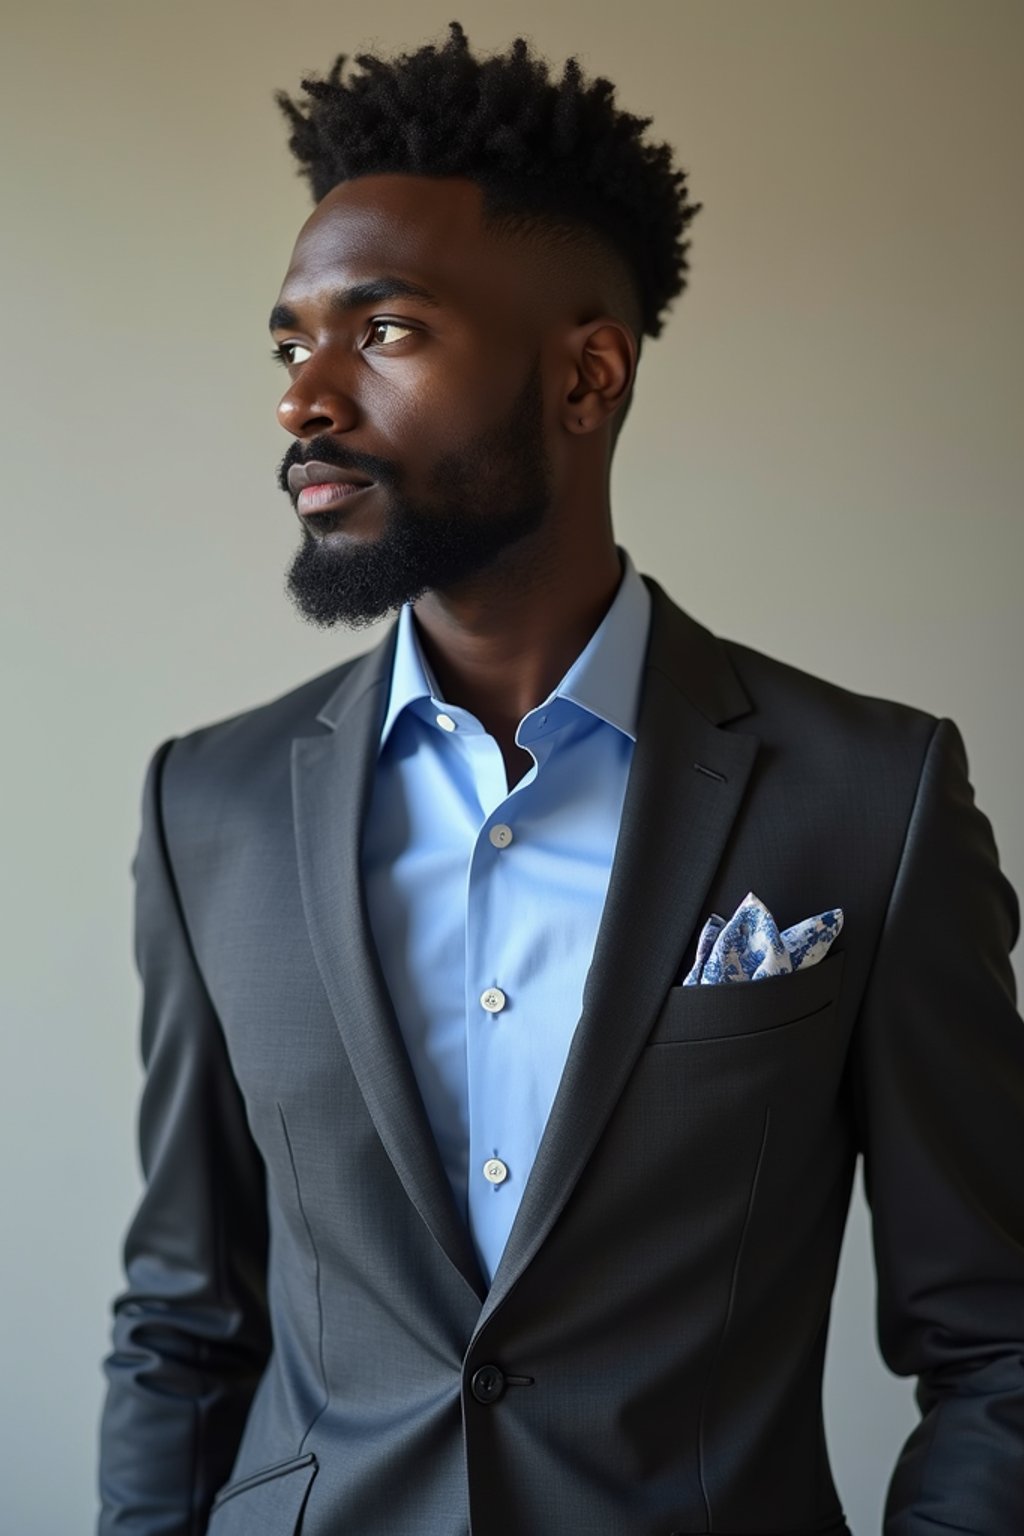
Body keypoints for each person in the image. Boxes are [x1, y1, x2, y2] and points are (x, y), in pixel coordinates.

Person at [97, 20, 1024, 1536]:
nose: (302, 401)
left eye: (382, 332)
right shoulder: (206, 808)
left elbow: (999, 1343)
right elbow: (182, 1332)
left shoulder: (872, 799)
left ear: (588, 376)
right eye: (290, 343)